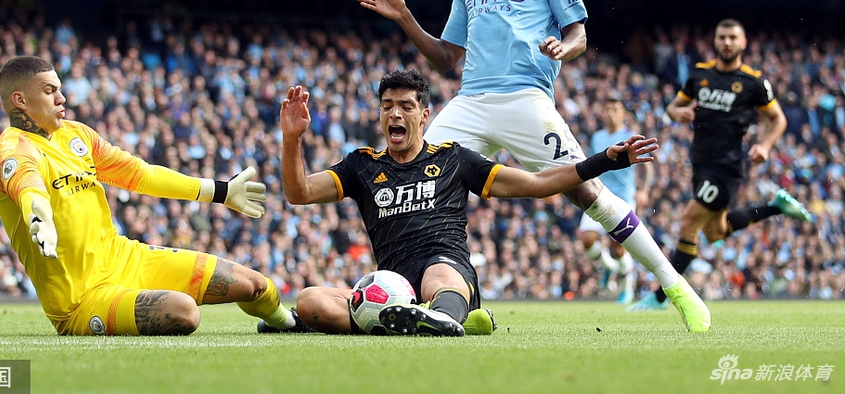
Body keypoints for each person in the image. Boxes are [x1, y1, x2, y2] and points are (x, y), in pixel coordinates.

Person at [354, 0, 710, 332]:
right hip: (470, 101)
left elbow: (578, 34)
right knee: (412, 176)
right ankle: (441, 301)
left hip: (525, 97)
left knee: (586, 192)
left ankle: (673, 284)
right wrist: (406, 18)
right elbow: (446, 59)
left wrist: (564, 48)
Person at [273, 68, 657, 336]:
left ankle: (440, 317)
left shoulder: (454, 159)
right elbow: (299, 193)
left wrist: (604, 161)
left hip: (447, 269)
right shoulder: (362, 165)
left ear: (424, 115)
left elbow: (538, 183)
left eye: (405, 106)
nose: (395, 113)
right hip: (392, 285)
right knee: (310, 301)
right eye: (387, 105)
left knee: (437, 277)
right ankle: (408, 321)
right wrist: (292, 139)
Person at [0, 56, 306, 335]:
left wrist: (220, 191)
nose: (62, 98)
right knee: (183, 312)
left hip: (127, 259)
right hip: (83, 299)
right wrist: (39, 216)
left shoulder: (76, 134)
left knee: (255, 285)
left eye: (59, 89)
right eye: (49, 91)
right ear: (20, 100)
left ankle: (288, 324)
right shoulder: (12, 151)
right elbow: (30, 189)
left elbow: (142, 175)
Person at [629, 19, 812, 311]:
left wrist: (765, 145)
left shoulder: (753, 81)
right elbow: (673, 106)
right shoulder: (700, 75)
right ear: (715, 41)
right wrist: (679, 113)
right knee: (715, 232)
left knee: (689, 222)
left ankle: (661, 297)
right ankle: (776, 207)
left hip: (728, 166)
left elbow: (778, 119)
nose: (727, 42)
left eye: (732, 38)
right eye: (722, 37)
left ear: (743, 43)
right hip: (701, 163)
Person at [579, 95, 654, 305]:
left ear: (623, 114)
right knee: (587, 239)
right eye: (607, 110)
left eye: (615, 110)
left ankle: (626, 287)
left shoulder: (630, 136)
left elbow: (648, 168)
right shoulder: (597, 137)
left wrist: (644, 191)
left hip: (624, 197)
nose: (610, 114)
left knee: (618, 247)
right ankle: (609, 266)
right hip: (598, 194)